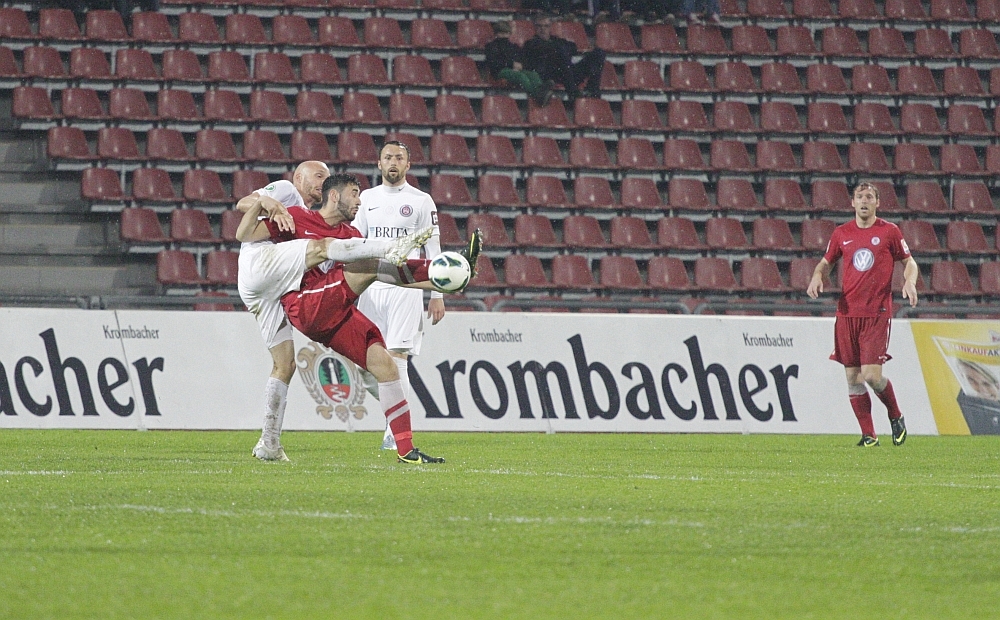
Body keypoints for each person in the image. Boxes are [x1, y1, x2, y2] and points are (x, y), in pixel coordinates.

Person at [238, 173, 455, 464]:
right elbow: (246, 234)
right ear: (334, 196)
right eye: (354, 193)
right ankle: (392, 248)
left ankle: (406, 450)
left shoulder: (351, 236)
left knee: (385, 365)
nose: (359, 201)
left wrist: (442, 280)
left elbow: (388, 273)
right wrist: (264, 203)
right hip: (306, 304)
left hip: (333, 307)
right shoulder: (297, 217)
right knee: (366, 263)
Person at [354, 141, 483, 451]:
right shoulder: (367, 198)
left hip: (406, 287)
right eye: (388, 157)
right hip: (371, 286)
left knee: (397, 356)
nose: (393, 162)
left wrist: (437, 294)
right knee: (364, 364)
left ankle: (395, 432)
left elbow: (433, 249)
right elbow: (356, 241)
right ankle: (396, 413)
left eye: (399, 157)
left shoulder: (421, 201)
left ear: (408, 165)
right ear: (379, 163)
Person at [807, 182, 918, 447]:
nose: (864, 201)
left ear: (877, 203)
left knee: (871, 375)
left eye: (869, 197)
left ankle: (895, 414)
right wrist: (817, 276)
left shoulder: (889, 231)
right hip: (847, 313)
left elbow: (909, 262)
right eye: (860, 197)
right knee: (853, 377)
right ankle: (869, 436)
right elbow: (825, 263)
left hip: (876, 313)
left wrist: (910, 281)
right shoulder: (841, 233)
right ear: (853, 202)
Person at [521, 14, 607, 103]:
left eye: (546, 26)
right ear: (535, 28)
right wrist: (560, 49)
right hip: (550, 75)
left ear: (550, 27)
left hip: (567, 73)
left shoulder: (556, 40)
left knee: (599, 53)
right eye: (539, 26)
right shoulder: (530, 43)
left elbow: (573, 47)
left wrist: (561, 49)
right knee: (560, 51)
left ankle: (592, 90)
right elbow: (546, 49)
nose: (543, 29)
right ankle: (573, 92)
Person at [484, 21, 554, 106]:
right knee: (521, 77)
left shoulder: (514, 47)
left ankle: (541, 91)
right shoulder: (491, 46)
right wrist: (511, 64)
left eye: (506, 33)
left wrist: (521, 65)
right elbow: (493, 63)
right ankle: (539, 95)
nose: (504, 36)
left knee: (533, 75)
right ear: (496, 34)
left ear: (509, 33)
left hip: (516, 70)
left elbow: (522, 59)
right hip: (500, 71)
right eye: (501, 33)